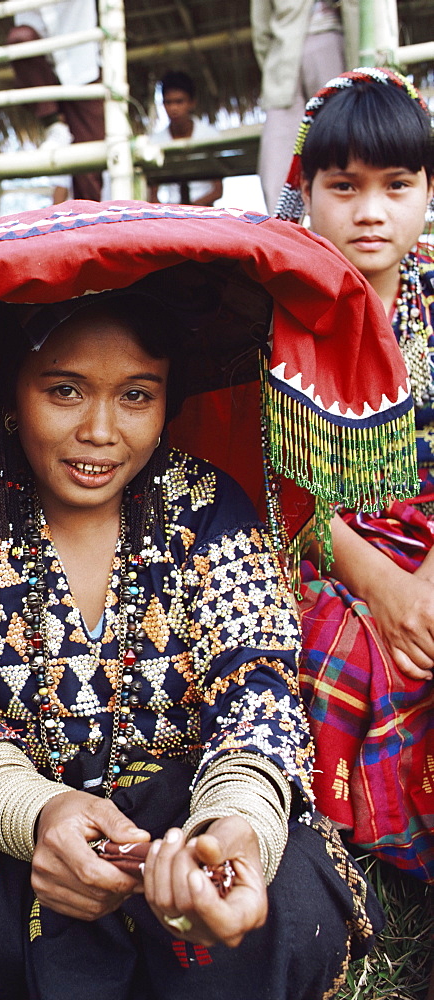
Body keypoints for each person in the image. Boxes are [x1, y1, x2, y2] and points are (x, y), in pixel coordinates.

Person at [0, 200, 401, 998]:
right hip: (20, 848)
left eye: (136, 395)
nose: (101, 430)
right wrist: (38, 813)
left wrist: (230, 829)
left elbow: (257, 693)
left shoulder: (209, 505)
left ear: (169, 401)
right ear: (9, 390)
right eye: (64, 391)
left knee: (289, 880)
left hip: (179, 828)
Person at [274, 67, 434, 882]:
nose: (371, 211)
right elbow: (266, 479)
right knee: (332, 647)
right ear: (306, 189)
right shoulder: (272, 306)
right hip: (319, 545)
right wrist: (384, 586)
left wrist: (426, 583)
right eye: (344, 185)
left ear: (426, 188)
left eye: (396, 184)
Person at [251, 0, 359, 213]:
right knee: (276, 157)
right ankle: (284, 232)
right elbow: (261, 30)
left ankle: (339, 226)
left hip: (334, 45)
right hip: (282, 62)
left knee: (342, 144)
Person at [6, 0, 105, 202]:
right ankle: (53, 123)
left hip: (83, 67)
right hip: (44, 76)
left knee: (90, 165)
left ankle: (92, 224)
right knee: (19, 39)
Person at [148, 71, 223, 207]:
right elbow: (153, 193)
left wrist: (190, 210)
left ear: (192, 103)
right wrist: (173, 213)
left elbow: (217, 190)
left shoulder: (209, 136)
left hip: (206, 213)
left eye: (179, 101)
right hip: (172, 216)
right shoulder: (156, 141)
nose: (174, 108)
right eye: (168, 102)